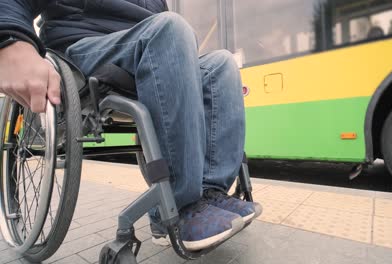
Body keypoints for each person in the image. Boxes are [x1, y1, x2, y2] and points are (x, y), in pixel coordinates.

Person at [0, 0, 262, 251]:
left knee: (221, 64)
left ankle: (209, 193)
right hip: (80, 47)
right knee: (171, 28)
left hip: (144, 46)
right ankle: (175, 209)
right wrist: (11, 41)